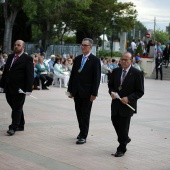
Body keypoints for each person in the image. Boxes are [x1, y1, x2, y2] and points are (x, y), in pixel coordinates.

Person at [108, 52, 144, 157]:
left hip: (128, 105)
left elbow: (140, 91)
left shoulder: (137, 73)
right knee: (115, 121)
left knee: (123, 126)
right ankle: (125, 139)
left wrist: (128, 98)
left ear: (131, 61)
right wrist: (112, 92)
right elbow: (110, 86)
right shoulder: (115, 71)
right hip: (115, 103)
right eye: (122, 59)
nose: (123, 61)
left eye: (126, 59)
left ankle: (121, 148)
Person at [67, 38, 101, 144]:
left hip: (87, 92)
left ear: (90, 47)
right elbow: (73, 75)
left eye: (85, 45)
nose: (83, 47)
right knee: (79, 113)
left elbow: (97, 78)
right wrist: (70, 90)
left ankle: (83, 135)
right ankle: (81, 130)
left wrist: (94, 93)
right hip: (77, 91)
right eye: (82, 45)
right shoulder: (77, 59)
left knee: (85, 114)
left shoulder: (95, 60)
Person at [0, 40, 34, 136]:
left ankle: (13, 127)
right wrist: (2, 85)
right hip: (9, 87)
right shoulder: (11, 57)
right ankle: (21, 124)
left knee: (17, 107)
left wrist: (28, 89)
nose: (16, 46)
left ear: (23, 47)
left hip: (20, 89)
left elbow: (30, 75)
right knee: (16, 107)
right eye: (15, 45)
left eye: (18, 45)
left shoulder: (27, 59)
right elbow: (6, 71)